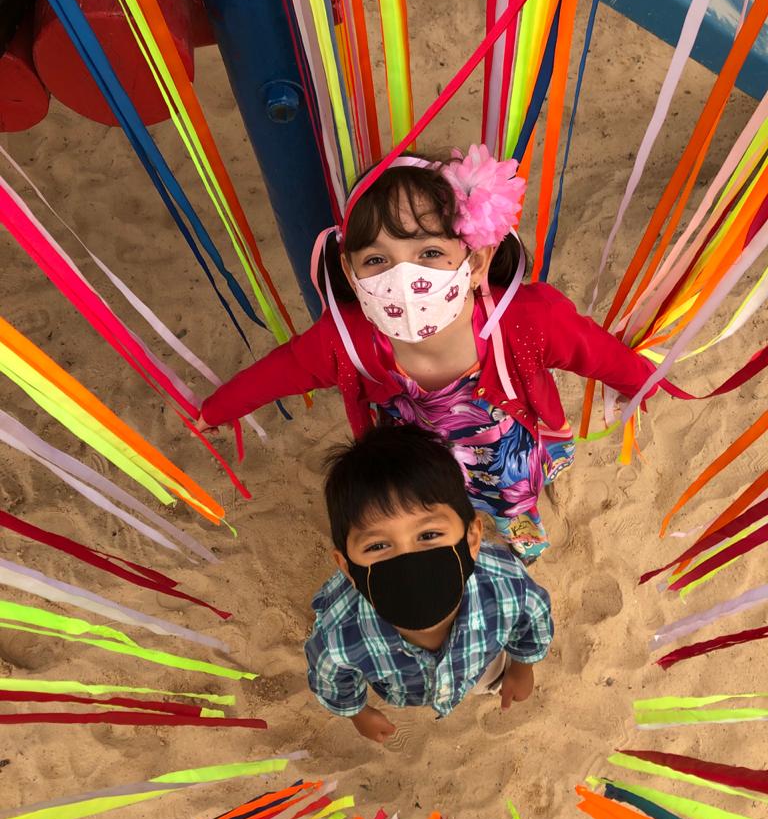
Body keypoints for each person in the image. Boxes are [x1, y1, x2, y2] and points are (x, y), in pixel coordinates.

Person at [198, 145, 656, 559]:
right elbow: (284, 371)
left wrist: (642, 382)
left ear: (475, 263)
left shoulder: (525, 320)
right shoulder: (347, 340)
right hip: (419, 462)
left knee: (514, 501)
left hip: (505, 456)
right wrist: (216, 410)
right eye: (376, 260)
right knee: (429, 511)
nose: (403, 277)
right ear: (349, 271)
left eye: (430, 252)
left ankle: (521, 536)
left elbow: (593, 352)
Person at [304, 424, 553, 742]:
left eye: (429, 535)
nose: (409, 565)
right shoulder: (338, 635)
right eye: (378, 546)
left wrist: (521, 668)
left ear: (472, 538)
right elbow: (331, 678)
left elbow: (533, 620)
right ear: (347, 567)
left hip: (479, 664)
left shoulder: (507, 585)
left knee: (486, 677)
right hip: (404, 688)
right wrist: (357, 712)